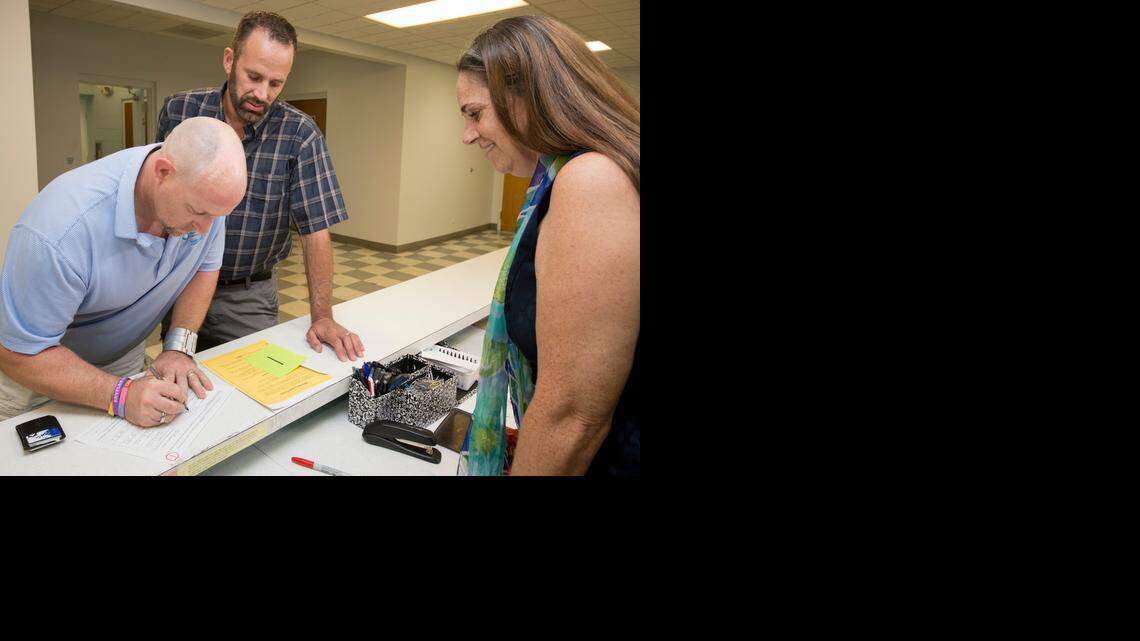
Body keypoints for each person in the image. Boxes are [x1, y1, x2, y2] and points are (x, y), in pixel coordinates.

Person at [456, 16, 640, 476]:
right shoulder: (561, 177)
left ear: (525, 100)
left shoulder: (590, 180)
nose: (468, 134)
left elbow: (573, 416)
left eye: (475, 113)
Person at [0, 117, 247, 427]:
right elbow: (19, 354)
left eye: (218, 216)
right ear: (163, 172)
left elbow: (204, 269)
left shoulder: (204, 199)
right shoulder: (58, 230)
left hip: (122, 359)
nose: (207, 229)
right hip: (37, 376)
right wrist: (119, 395)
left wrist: (178, 347)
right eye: (199, 213)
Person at [156, 10, 364, 362]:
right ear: (228, 60)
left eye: (275, 83)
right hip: (181, 280)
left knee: (251, 392)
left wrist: (323, 316)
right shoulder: (181, 112)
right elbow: (154, 194)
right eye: (253, 76)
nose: (261, 93)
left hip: (247, 297)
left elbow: (316, 231)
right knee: (178, 381)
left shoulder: (299, 134)